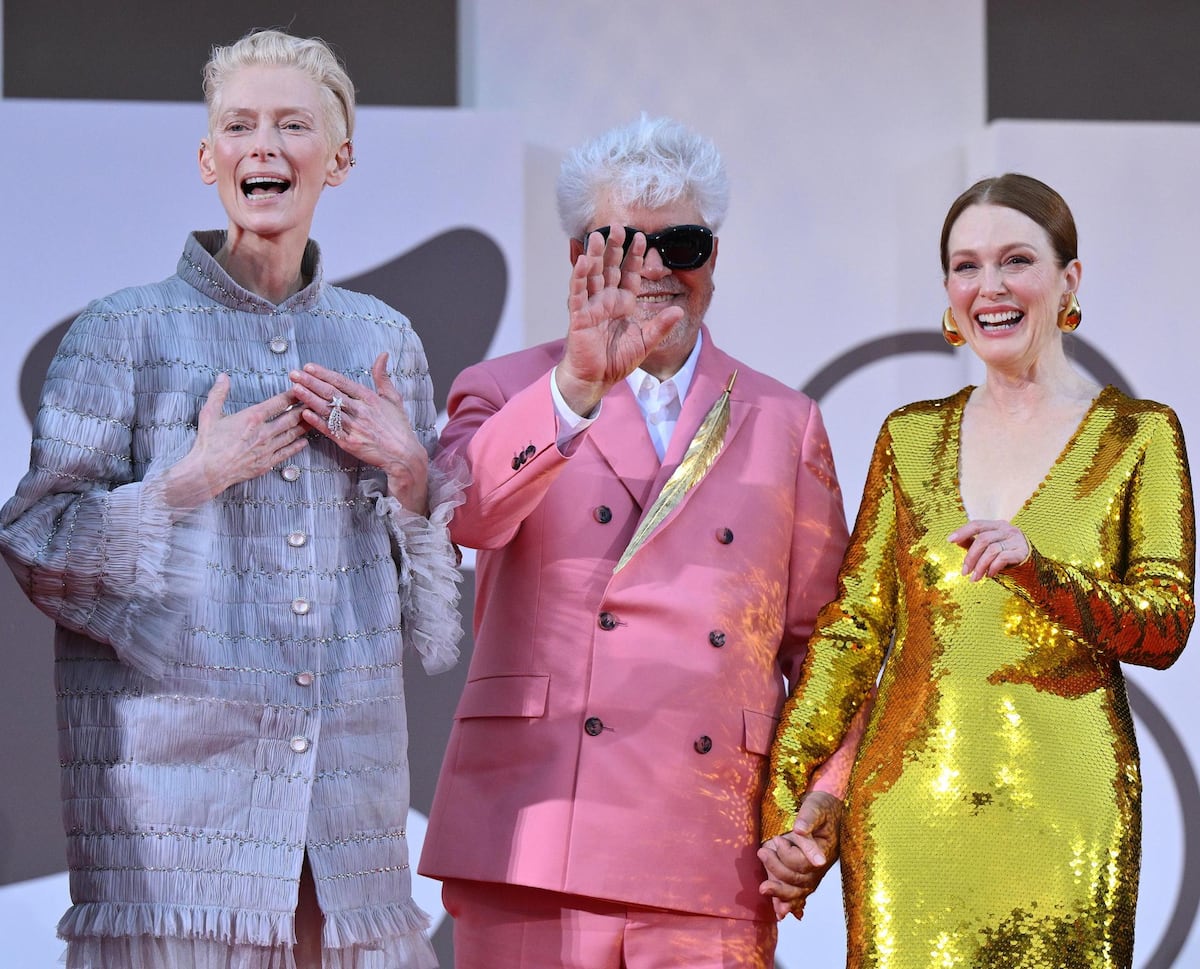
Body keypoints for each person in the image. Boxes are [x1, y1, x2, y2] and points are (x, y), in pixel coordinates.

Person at [0, 28, 463, 969]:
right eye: (239, 125)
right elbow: (37, 543)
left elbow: (434, 628)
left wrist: (410, 474)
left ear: (338, 159)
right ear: (208, 158)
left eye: (294, 125)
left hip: (348, 803)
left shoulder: (383, 338)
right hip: (173, 821)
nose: (265, 145)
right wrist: (188, 480)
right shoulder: (120, 332)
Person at [417, 114, 865, 969]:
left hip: (712, 850)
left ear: (714, 258)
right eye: (627, 245)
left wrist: (822, 806)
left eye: (683, 244)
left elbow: (828, 650)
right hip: (535, 835)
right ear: (580, 254)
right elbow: (467, 513)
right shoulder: (508, 388)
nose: (657, 270)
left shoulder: (784, 419)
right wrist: (580, 381)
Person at [762, 173, 1196, 968]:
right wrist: (790, 803)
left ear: (1069, 279)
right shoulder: (911, 438)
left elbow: (1166, 625)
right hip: (908, 815)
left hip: (1069, 815)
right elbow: (855, 630)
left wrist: (1043, 572)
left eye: (1015, 260)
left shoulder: (1141, 436)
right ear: (948, 292)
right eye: (966, 266)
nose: (988, 287)